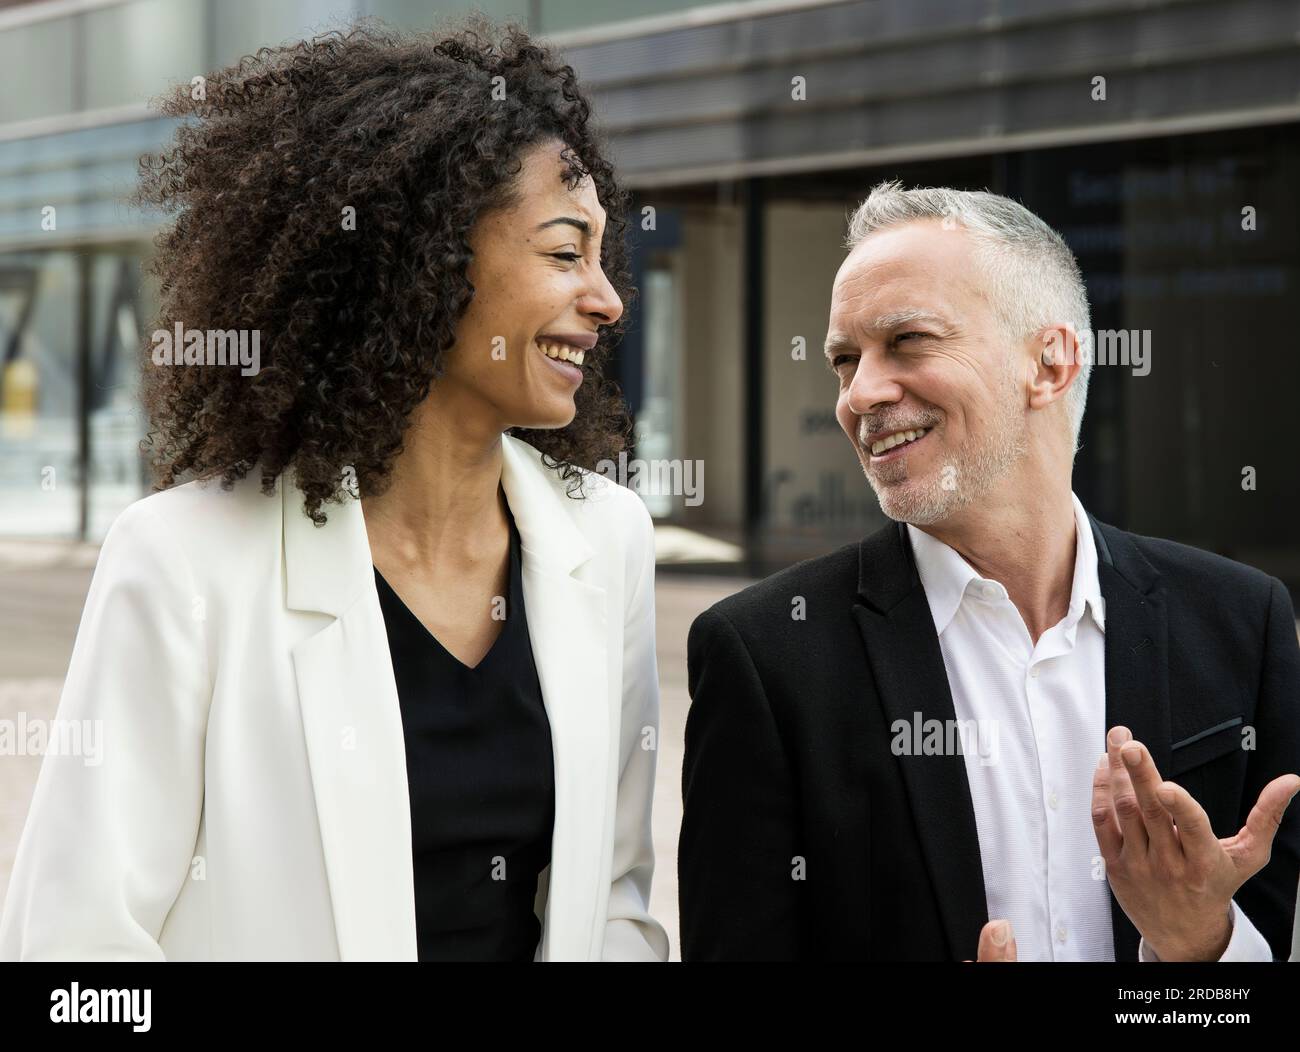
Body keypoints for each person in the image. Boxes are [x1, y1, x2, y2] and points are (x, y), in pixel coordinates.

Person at [0, 20, 668, 963]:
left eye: (603, 257)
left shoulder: (609, 540)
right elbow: (73, 947)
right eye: (566, 253)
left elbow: (613, 906)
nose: (607, 299)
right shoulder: (186, 561)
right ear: (425, 257)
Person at [678, 181, 1300, 961]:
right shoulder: (766, 657)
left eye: (908, 340)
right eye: (845, 359)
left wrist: (1200, 945)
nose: (859, 393)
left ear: (1050, 362)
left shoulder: (1245, 623)